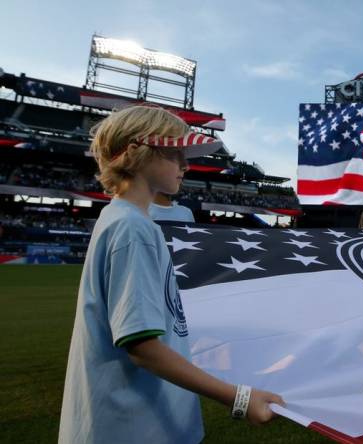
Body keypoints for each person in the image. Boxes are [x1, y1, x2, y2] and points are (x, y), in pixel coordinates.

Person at [59, 106, 284, 444]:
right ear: (137, 153)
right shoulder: (132, 228)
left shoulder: (122, 217)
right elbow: (142, 348)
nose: (185, 164)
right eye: (174, 152)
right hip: (132, 427)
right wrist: (238, 397)